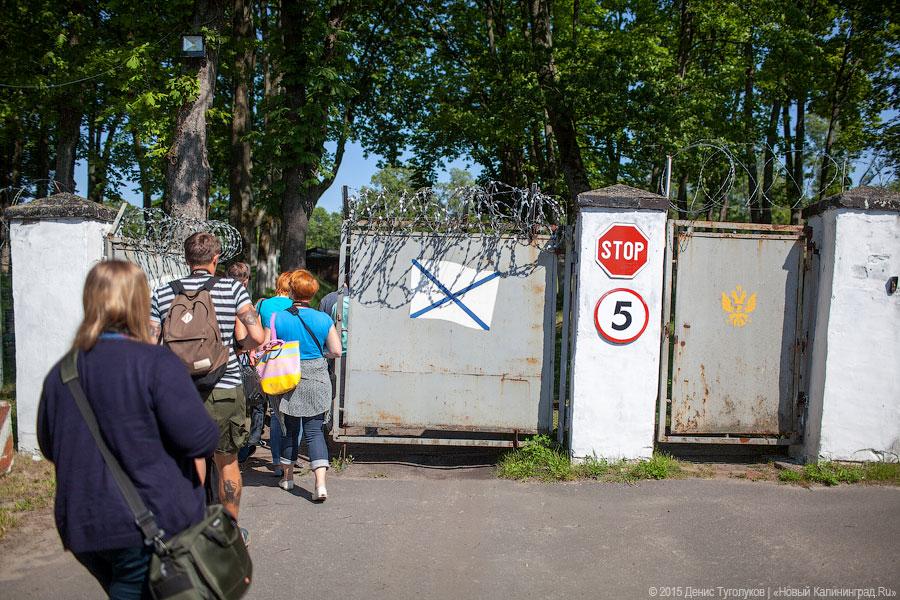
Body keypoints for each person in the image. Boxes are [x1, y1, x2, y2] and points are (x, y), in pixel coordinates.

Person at [38, 261, 219, 599]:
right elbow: (201, 439)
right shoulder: (155, 363)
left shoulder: (62, 372)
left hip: (85, 523)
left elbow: (50, 446)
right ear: (140, 302)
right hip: (147, 522)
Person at [150, 232, 265, 544]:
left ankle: (189, 529)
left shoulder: (162, 292)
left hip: (178, 394)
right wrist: (238, 347)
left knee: (186, 462)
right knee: (227, 463)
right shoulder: (232, 289)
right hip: (224, 388)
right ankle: (228, 532)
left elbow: (150, 344)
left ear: (187, 260)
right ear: (216, 260)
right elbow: (256, 337)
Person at [274, 269, 342, 500]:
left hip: (288, 379)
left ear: (291, 290)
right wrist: (318, 354)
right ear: (312, 293)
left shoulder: (278, 318)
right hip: (317, 379)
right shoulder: (323, 319)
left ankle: (288, 478)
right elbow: (336, 351)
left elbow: (269, 347)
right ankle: (320, 484)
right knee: (314, 431)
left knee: (290, 430)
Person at [255, 270, 294, 474]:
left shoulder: (263, 305)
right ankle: (291, 458)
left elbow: (260, 336)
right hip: (293, 362)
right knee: (294, 411)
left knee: (276, 413)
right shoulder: (296, 307)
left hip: (270, 363)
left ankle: (277, 461)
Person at [227, 262, 265, 464]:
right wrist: (248, 348)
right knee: (256, 402)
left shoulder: (218, 297)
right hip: (240, 360)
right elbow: (243, 336)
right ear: (247, 280)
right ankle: (250, 442)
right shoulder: (243, 303)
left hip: (221, 358)